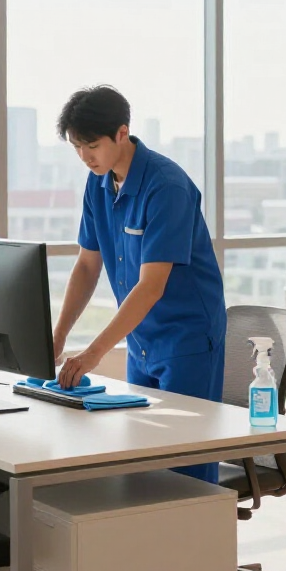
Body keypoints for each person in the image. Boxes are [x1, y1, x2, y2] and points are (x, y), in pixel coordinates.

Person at [51, 85, 227, 484]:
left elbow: (151, 286)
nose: (85, 157)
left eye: (91, 145)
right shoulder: (97, 184)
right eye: (77, 147)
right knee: (144, 463)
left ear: (122, 133)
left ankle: (195, 547)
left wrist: (94, 353)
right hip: (141, 339)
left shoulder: (166, 186)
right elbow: (86, 266)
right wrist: (58, 336)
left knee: (186, 467)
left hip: (188, 340)